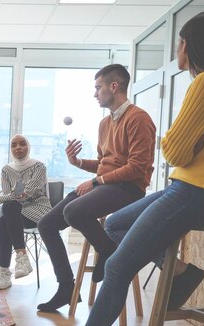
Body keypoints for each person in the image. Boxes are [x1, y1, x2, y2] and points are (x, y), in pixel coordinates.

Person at [32, 9, 204, 326]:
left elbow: (175, 151)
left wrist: (182, 144)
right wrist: (83, 166)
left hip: (199, 190)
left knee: (117, 265)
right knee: (116, 224)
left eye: (179, 42)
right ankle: (179, 270)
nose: (177, 49)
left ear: (190, 45)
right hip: (200, 189)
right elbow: (176, 150)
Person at [36, 64, 156, 312]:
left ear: (114, 86)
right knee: (46, 224)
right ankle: (67, 288)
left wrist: (95, 182)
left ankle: (108, 250)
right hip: (104, 186)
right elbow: (104, 164)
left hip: (128, 188)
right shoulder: (104, 124)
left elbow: (137, 167)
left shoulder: (139, 119)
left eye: (98, 88)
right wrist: (77, 162)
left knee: (74, 212)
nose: (95, 94)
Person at [0, 134, 51, 290]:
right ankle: (16, 261)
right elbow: (9, 197)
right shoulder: (6, 170)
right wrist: (5, 198)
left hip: (38, 210)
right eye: (14, 145)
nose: (18, 147)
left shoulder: (39, 166)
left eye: (22, 144)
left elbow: (28, 192)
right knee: (4, 217)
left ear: (28, 147)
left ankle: (6, 270)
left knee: (8, 211)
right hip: (16, 213)